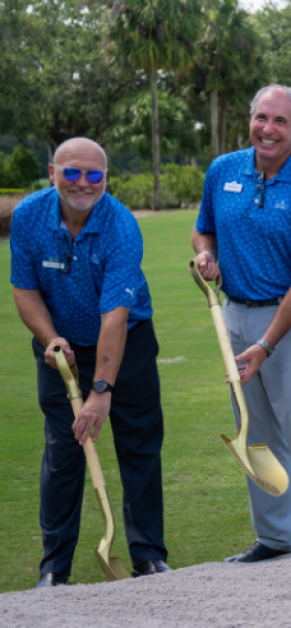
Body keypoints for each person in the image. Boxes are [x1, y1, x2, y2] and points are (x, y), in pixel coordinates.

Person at [192, 84, 291, 562]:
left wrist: (265, 344)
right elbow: (205, 229)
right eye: (262, 118)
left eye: (280, 121)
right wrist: (204, 255)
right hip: (234, 315)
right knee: (255, 433)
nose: (268, 129)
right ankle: (276, 538)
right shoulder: (223, 171)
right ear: (250, 120)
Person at [10, 138, 170, 587]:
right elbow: (25, 290)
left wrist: (101, 391)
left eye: (94, 175)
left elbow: (114, 318)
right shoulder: (28, 216)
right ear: (52, 173)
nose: (83, 183)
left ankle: (148, 557)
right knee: (64, 454)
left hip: (128, 343)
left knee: (138, 446)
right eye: (72, 172)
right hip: (59, 351)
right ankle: (54, 568)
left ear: (106, 178)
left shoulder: (121, 225)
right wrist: (51, 338)